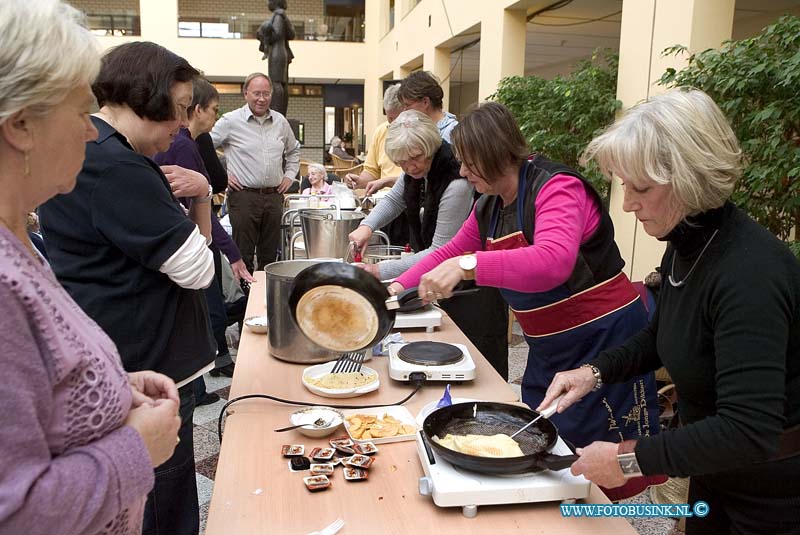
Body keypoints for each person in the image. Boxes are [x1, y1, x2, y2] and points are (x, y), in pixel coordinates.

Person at [538, 89, 800, 533]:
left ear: (690, 180)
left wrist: (628, 459)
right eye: (624, 185)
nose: (626, 204)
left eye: (641, 188)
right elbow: (661, 338)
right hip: (715, 471)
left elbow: (748, 429)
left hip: (773, 495)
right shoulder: (686, 244)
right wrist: (592, 373)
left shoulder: (751, 273)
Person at [391, 103, 660, 487]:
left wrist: (472, 266)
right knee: (542, 446)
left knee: (603, 460)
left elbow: (553, 261)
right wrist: (399, 286)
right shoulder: (488, 205)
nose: (463, 172)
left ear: (495, 154)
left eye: (469, 162)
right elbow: (447, 252)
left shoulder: (557, 187)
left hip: (605, 340)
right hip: (550, 348)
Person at [0, 2, 180, 533]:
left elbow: (34, 387)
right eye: (81, 112)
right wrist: (135, 450)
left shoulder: (20, 239)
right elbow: (14, 511)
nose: (88, 133)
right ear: (21, 126)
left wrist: (109, 384)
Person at [39, 41, 216, 535]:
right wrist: (202, 194)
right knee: (163, 504)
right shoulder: (116, 166)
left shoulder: (108, 156)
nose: (182, 125)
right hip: (144, 361)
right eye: (179, 111)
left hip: (128, 361)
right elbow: (200, 269)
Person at [348, 110, 509, 379]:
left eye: (415, 158)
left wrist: (380, 271)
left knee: (475, 366)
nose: (410, 167)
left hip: (472, 294)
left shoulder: (456, 183)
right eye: (402, 162)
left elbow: (441, 250)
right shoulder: (413, 170)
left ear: (430, 147)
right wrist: (367, 226)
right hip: (439, 279)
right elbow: (395, 199)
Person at [154, 78, 256, 389]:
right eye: (212, 109)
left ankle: (201, 379)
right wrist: (234, 254)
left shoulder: (192, 143)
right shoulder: (183, 144)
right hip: (192, 240)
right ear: (196, 110)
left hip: (195, 236)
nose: (215, 115)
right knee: (208, 307)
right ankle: (201, 378)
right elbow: (199, 211)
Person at [211, 72, 301, 271]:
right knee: (242, 255)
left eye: (266, 94)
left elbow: (293, 150)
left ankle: (267, 298)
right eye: (257, 93)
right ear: (246, 94)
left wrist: (289, 175)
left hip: (274, 197)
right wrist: (222, 175)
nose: (262, 98)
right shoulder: (230, 121)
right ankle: (244, 299)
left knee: (270, 257)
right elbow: (204, 147)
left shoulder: (280, 122)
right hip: (244, 198)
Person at [344, 84, 408, 246]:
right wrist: (357, 181)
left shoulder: (417, 135)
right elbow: (371, 172)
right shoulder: (381, 132)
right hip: (385, 206)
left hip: (408, 207)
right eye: (389, 118)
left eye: (396, 118)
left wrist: (385, 181)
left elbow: (416, 177)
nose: (392, 123)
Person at [256, 0, 295, 117]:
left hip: (276, 53)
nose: (267, 3)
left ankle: (277, 113)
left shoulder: (278, 16)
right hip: (282, 52)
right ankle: (280, 113)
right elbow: (291, 34)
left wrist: (263, 31)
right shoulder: (282, 16)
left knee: (276, 83)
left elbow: (276, 34)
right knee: (281, 84)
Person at [398, 71, 458, 143]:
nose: (405, 111)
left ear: (425, 102)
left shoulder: (453, 133)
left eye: (408, 105)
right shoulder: (419, 129)